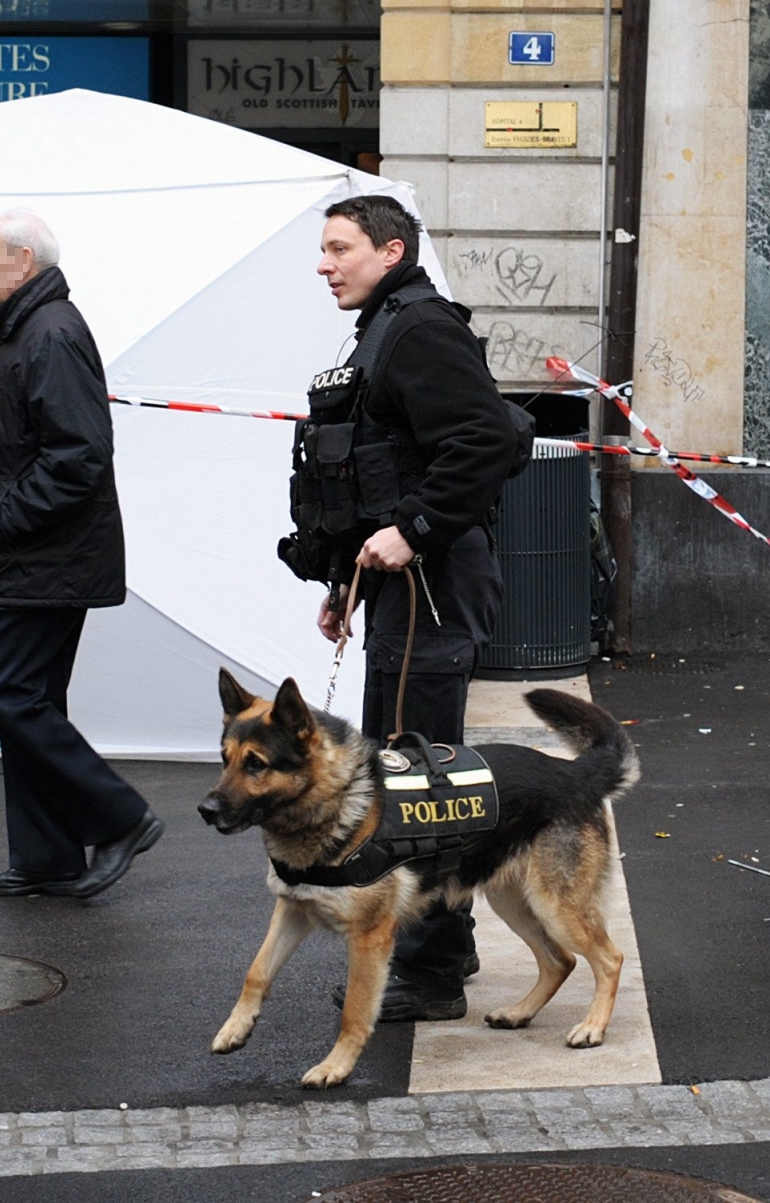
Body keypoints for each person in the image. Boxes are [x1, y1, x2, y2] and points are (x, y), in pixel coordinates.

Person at [293, 195, 521, 1021]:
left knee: (419, 776)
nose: (325, 264)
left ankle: (428, 971)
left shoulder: (419, 328)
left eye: (338, 248)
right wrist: (346, 583)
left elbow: (484, 441)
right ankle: (435, 955)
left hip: (435, 579)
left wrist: (414, 533)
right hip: (404, 584)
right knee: (411, 770)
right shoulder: (386, 326)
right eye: (324, 249)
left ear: (390, 251)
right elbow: (388, 469)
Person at [0, 208, 161, 900]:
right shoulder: (33, 328)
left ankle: (121, 816)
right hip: (36, 554)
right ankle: (47, 854)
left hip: (41, 556)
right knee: (31, 697)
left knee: (8, 694)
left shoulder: (48, 331)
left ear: (23, 260)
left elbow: (80, 454)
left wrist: (5, 519)